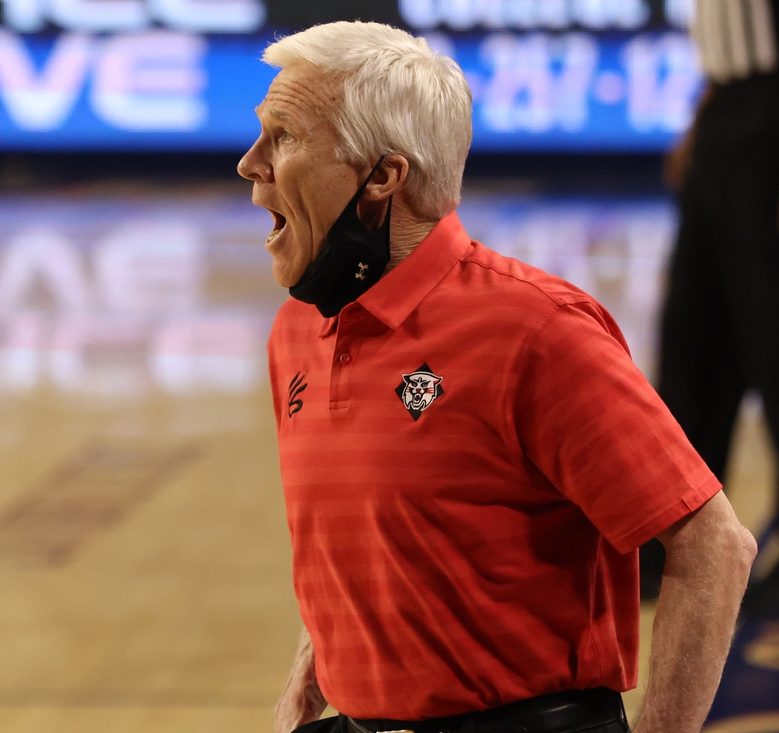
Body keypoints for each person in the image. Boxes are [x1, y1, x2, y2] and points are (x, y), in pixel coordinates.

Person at [236, 21, 758, 733]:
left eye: (285, 136)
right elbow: (373, 529)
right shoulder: (298, 328)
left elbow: (715, 544)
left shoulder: (537, 330)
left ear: (383, 177)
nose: (249, 162)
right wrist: (327, 644)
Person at [642, 0, 779, 613]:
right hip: (728, 110)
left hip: (770, 118)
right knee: (694, 342)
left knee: (770, 340)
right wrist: (705, 120)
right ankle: (677, 541)